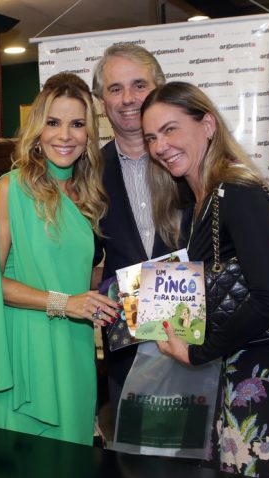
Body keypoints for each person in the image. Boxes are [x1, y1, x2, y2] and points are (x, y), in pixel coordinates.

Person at [141, 81, 269, 478]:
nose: (160, 146)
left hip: (257, 377)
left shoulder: (236, 191)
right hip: (233, 369)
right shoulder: (202, 199)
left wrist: (197, 353)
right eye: (152, 137)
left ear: (207, 125)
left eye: (171, 129)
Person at [0, 72, 118, 446]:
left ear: (90, 134)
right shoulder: (11, 188)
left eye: (77, 124)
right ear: (38, 129)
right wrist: (65, 303)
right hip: (23, 346)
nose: (65, 135)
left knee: (69, 467)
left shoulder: (87, 194)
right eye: (53, 122)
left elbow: (75, 276)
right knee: (22, 475)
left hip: (73, 344)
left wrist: (117, 286)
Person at [91, 43, 192, 420]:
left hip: (197, 340)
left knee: (200, 463)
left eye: (139, 85)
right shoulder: (89, 173)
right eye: (115, 89)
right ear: (102, 101)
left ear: (159, 88)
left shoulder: (188, 158)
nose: (128, 98)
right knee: (135, 467)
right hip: (127, 345)